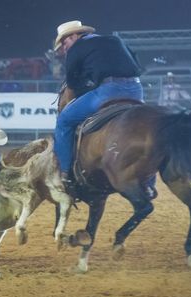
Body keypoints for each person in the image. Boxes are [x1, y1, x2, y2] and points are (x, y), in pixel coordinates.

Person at [52, 20, 155, 198]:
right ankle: (149, 183)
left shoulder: (76, 49)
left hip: (108, 91)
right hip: (136, 90)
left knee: (64, 122)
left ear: (74, 35)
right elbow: (138, 65)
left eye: (64, 42)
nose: (64, 47)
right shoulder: (115, 40)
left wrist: (90, 86)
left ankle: (65, 172)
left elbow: (73, 83)